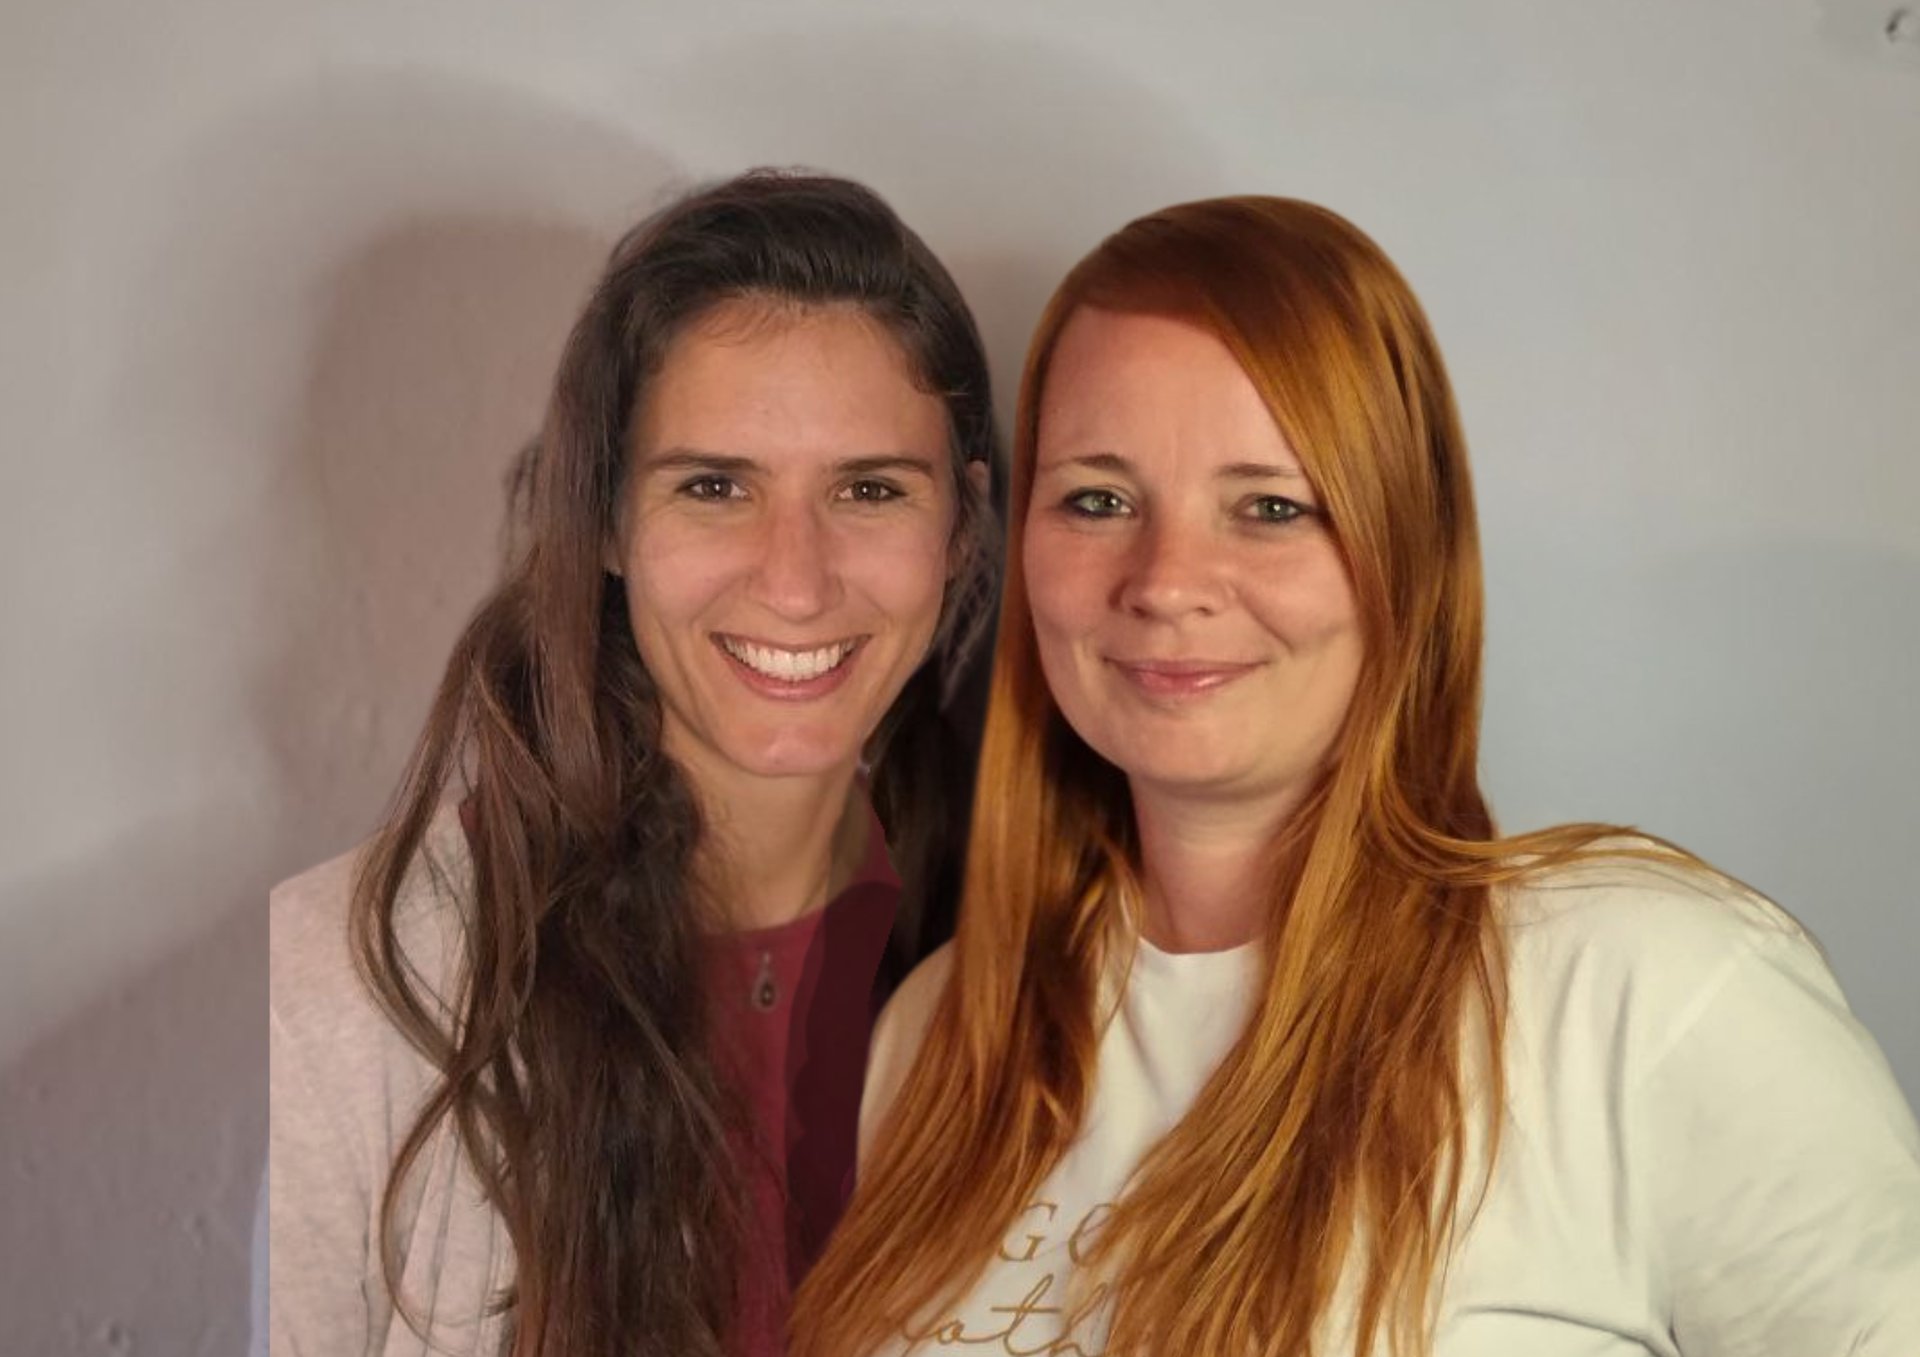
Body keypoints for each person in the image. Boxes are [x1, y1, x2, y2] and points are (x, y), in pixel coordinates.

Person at [791, 195, 1920, 1357]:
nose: (1168, 580)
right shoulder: (939, 1031)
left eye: (1271, 507)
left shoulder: (1648, 991)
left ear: (1404, 551)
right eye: (1099, 498)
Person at [269, 169, 999, 1357]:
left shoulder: (1043, 985)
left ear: (960, 532)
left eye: (869, 489)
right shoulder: (337, 992)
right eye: (715, 486)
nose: (797, 579)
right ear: (606, 516)